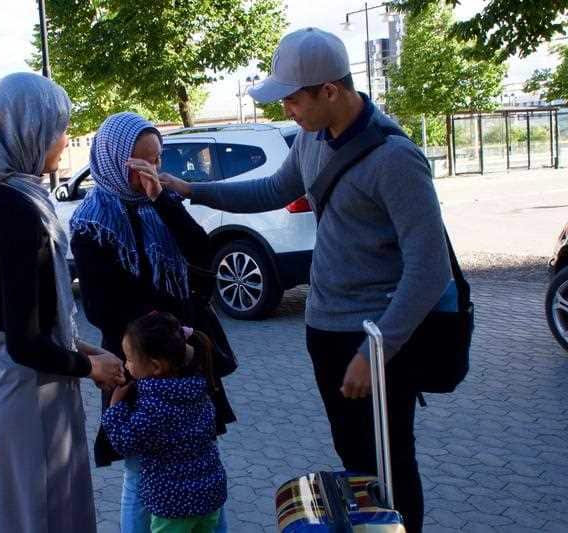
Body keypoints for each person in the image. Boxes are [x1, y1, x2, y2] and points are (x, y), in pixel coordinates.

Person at [142, 28, 452, 533]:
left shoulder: (395, 158)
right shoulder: (312, 139)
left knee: (389, 465)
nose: (286, 108)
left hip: (374, 340)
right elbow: (272, 188)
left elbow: (429, 266)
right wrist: (190, 188)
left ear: (330, 90)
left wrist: (377, 353)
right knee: (355, 460)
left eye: (291, 98)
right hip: (324, 329)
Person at [0, 73, 125, 533]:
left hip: (17, 389)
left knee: (19, 511)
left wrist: (91, 351)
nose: (65, 139)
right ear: (26, 131)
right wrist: (92, 368)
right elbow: (25, 343)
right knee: (41, 514)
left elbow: (33, 318)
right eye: (58, 127)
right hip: (30, 394)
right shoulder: (17, 212)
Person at [70, 112, 234, 533]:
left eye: (156, 160)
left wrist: (163, 198)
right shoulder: (92, 221)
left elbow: (200, 250)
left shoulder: (161, 203)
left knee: (198, 451)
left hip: (183, 355)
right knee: (139, 471)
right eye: (137, 162)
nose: (148, 170)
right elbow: (99, 307)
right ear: (111, 159)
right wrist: (153, 335)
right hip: (139, 360)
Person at [102, 312, 227, 533]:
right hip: (210, 496)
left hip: (173, 506)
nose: (126, 364)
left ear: (156, 366)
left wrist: (115, 409)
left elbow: (125, 442)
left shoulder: (154, 407)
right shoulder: (198, 389)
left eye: (130, 359)